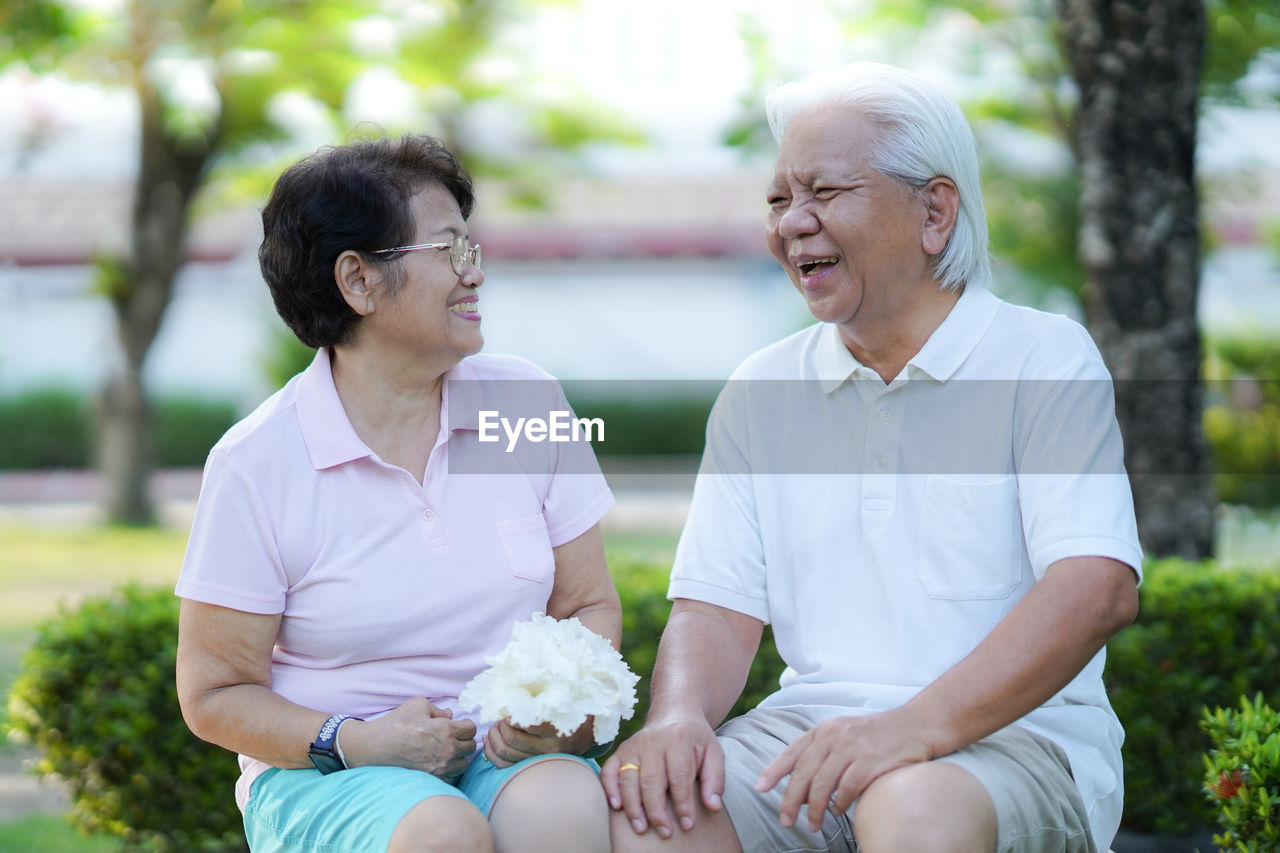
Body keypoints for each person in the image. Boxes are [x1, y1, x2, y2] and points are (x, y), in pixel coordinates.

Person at [602, 62, 1142, 853]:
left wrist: (908, 730)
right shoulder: (762, 388)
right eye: (780, 199)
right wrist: (678, 718)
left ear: (934, 211)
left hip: (1013, 743)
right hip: (807, 736)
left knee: (912, 804)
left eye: (826, 192)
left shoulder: (1044, 357)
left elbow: (1096, 589)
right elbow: (714, 605)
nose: (792, 223)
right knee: (649, 818)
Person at [174, 134, 621, 853]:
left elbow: (587, 604)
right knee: (441, 830)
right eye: (449, 251)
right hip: (325, 769)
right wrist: (354, 739)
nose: (474, 274)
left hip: (500, 756)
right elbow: (214, 692)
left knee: (564, 806)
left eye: (471, 249)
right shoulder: (256, 462)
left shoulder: (526, 401)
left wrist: (555, 715)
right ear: (358, 280)